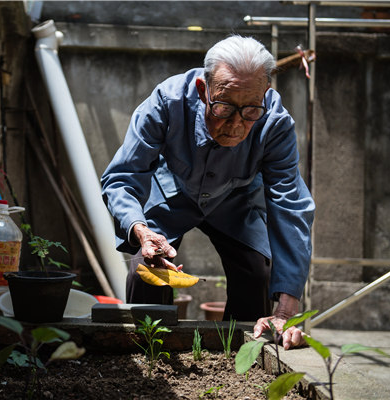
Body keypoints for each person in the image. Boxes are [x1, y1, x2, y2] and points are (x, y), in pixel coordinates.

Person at [101, 35, 315, 349]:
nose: (236, 125)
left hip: (236, 199)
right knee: (145, 270)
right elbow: (121, 176)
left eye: (251, 111)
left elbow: (291, 204)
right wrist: (141, 230)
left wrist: (286, 308)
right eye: (225, 107)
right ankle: (147, 354)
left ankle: (245, 356)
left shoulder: (276, 123)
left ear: (265, 96)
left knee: (258, 271)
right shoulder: (166, 102)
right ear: (204, 90)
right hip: (173, 192)